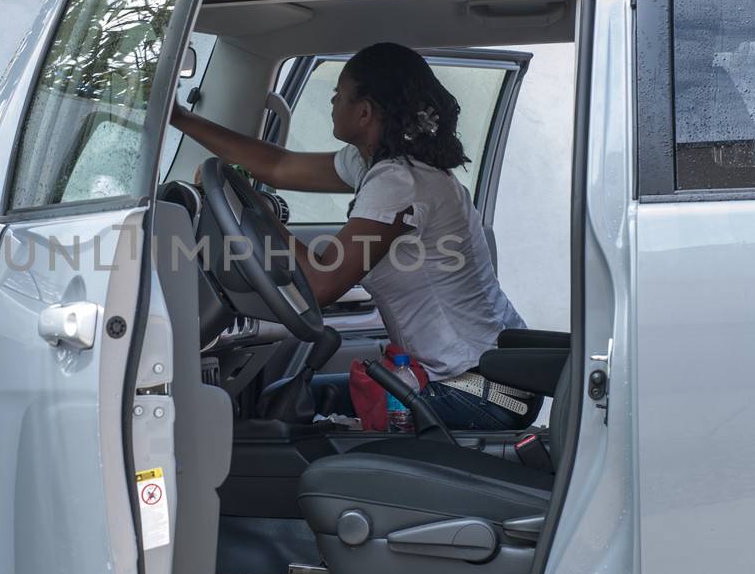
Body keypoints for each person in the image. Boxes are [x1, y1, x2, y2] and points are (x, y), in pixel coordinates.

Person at [170, 41, 528, 430]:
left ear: (364, 111)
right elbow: (279, 164)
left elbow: (322, 283)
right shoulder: (380, 164)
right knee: (299, 404)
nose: (332, 101)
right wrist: (178, 118)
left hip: (476, 393)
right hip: (491, 378)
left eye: (339, 94)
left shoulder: (398, 181)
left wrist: (252, 204)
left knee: (298, 428)